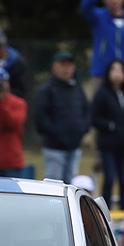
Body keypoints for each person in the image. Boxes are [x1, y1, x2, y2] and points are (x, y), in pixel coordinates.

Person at [91, 59, 124, 210]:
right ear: (108, 73)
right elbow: (94, 117)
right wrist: (110, 126)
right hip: (108, 144)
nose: (117, 74)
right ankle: (104, 212)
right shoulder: (102, 93)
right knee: (109, 178)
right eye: (113, 70)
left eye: (120, 70)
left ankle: (123, 214)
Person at [34, 50, 91, 183]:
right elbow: (41, 117)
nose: (67, 68)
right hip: (54, 148)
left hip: (74, 146)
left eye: (70, 65)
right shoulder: (48, 90)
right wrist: (56, 134)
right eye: (63, 64)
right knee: (54, 185)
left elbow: (86, 111)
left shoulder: (76, 88)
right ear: (53, 67)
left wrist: (83, 129)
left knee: (70, 184)